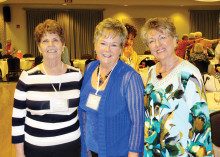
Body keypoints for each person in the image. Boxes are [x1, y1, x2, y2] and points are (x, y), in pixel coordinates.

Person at [141, 17, 213, 156]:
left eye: (162, 37)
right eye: (151, 40)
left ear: (175, 40)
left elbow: (202, 127)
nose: (157, 44)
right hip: (152, 149)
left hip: (179, 152)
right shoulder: (151, 72)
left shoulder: (189, 73)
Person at [11, 19, 82, 157]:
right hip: (36, 150)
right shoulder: (27, 77)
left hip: (72, 148)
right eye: (45, 41)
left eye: (55, 40)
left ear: (63, 46)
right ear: (39, 47)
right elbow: (17, 120)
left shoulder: (76, 75)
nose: (51, 45)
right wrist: (20, 154)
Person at [78, 18, 144, 157]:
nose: (107, 50)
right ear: (95, 45)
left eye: (113, 45)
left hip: (118, 152)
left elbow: (137, 124)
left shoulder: (130, 78)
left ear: (121, 48)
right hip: (89, 150)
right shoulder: (90, 68)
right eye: (103, 43)